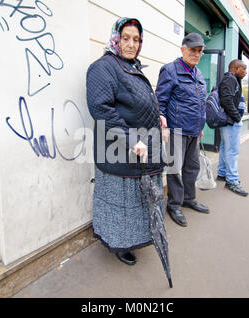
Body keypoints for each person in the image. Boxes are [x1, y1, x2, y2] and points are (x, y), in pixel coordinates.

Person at [86, 18, 166, 266]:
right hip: (120, 153)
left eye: (136, 39)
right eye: (126, 38)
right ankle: (119, 244)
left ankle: (135, 237)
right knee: (121, 204)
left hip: (143, 149)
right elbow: (101, 109)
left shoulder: (131, 67)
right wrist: (130, 139)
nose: (131, 44)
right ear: (115, 38)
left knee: (139, 202)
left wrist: (158, 115)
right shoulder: (103, 68)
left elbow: (140, 101)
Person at [155, 33, 210, 228]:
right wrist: (164, 125)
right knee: (174, 169)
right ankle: (174, 205)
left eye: (199, 51)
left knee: (192, 167)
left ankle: (189, 198)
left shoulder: (199, 74)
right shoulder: (170, 70)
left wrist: (200, 125)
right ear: (182, 49)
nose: (196, 54)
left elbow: (200, 103)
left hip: (194, 130)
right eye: (192, 50)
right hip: (176, 130)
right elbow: (159, 101)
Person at [216, 60, 249, 197]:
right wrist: (237, 117)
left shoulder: (232, 79)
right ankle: (232, 181)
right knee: (232, 151)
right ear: (236, 69)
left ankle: (222, 173)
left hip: (229, 122)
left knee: (225, 148)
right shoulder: (229, 79)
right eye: (244, 69)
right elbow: (226, 100)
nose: (246, 72)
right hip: (230, 122)